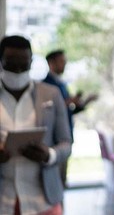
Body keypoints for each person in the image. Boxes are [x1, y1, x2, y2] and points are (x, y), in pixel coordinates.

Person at [0, 35, 72, 215]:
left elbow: (66, 142)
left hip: (42, 199)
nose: (18, 70)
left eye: (24, 64)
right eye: (11, 64)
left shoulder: (51, 94)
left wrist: (50, 155)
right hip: (4, 201)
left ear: (31, 62)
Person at [43, 49, 97, 186]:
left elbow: (66, 111)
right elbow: (48, 110)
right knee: (55, 181)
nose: (64, 65)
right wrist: (67, 102)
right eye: (61, 62)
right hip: (53, 140)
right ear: (51, 63)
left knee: (62, 180)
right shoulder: (46, 85)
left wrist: (83, 103)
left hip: (65, 137)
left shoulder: (62, 84)